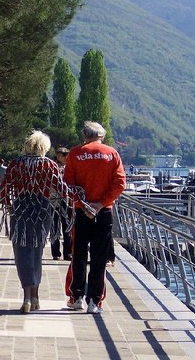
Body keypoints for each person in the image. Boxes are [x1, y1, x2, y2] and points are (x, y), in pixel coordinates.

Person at [0, 131, 74, 313]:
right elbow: (61, 188)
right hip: (42, 209)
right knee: (37, 251)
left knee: (22, 252)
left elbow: (4, 187)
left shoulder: (16, 164)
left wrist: (8, 204)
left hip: (21, 208)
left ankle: (26, 298)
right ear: (44, 147)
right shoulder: (49, 165)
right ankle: (36, 296)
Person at [64, 121, 126, 314]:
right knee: (99, 258)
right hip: (103, 212)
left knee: (79, 255)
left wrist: (84, 205)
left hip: (82, 212)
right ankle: (95, 302)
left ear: (85, 135)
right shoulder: (112, 154)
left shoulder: (74, 154)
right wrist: (100, 204)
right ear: (102, 136)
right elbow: (120, 183)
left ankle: (77, 297)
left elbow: (68, 185)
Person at [51, 147, 72, 261]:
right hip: (53, 200)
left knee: (67, 227)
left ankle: (68, 252)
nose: (65, 157)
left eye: (67, 154)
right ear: (57, 155)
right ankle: (55, 253)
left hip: (67, 200)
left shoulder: (70, 167)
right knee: (54, 227)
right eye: (63, 154)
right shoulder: (51, 167)